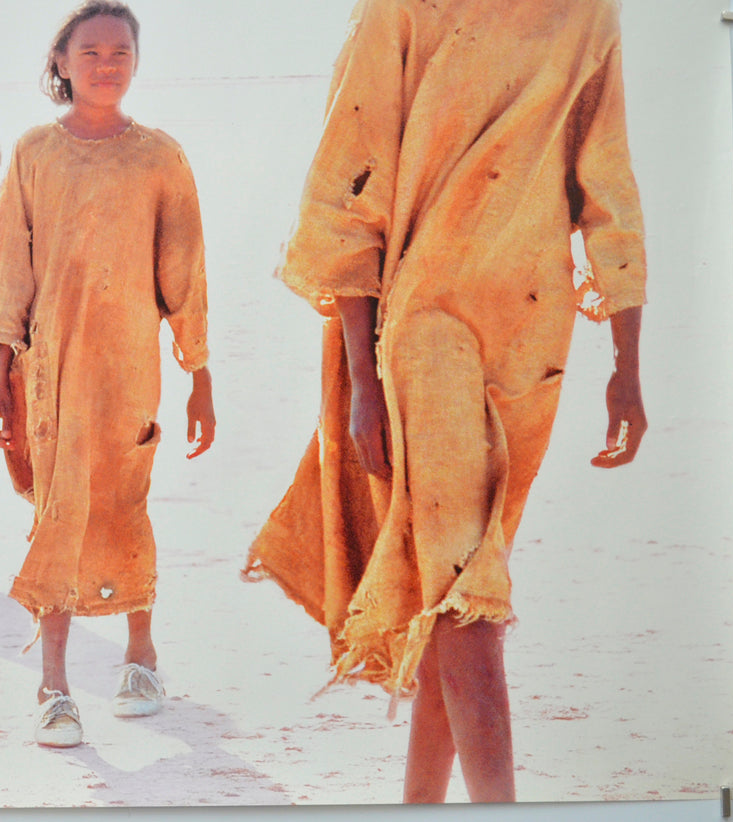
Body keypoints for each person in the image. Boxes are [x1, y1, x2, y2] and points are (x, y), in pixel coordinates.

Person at [244, 0, 647, 803]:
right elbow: (346, 195)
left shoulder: (587, 16)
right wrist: (364, 379)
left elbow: (607, 184)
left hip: (533, 338)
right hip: (424, 327)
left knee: (454, 591)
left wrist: (627, 362)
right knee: (472, 600)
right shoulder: (400, 10)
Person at [0, 0, 215, 749]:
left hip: (130, 368)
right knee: (58, 509)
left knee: (124, 497)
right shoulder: (33, 154)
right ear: (61, 62)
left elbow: (184, 273)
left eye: (120, 52)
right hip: (48, 369)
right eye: (90, 52)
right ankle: (53, 686)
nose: (106, 64)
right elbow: (7, 277)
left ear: (136, 62)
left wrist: (199, 370)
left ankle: (140, 658)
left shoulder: (159, 157)